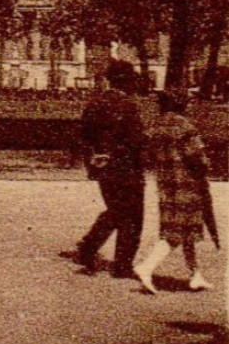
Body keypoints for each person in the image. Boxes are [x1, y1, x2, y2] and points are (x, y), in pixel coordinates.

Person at [135, 90, 214, 294]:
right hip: (186, 184)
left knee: (184, 230)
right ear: (181, 105)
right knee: (178, 231)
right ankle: (146, 267)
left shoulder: (156, 127)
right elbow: (197, 158)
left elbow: (147, 154)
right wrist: (205, 168)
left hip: (166, 183)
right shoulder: (185, 127)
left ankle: (195, 274)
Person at [74, 61, 147, 278]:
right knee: (132, 215)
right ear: (126, 81)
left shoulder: (95, 103)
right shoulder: (128, 105)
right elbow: (136, 140)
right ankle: (121, 263)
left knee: (116, 209)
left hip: (102, 166)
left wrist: (95, 158)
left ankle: (89, 246)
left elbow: (83, 135)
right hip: (126, 166)